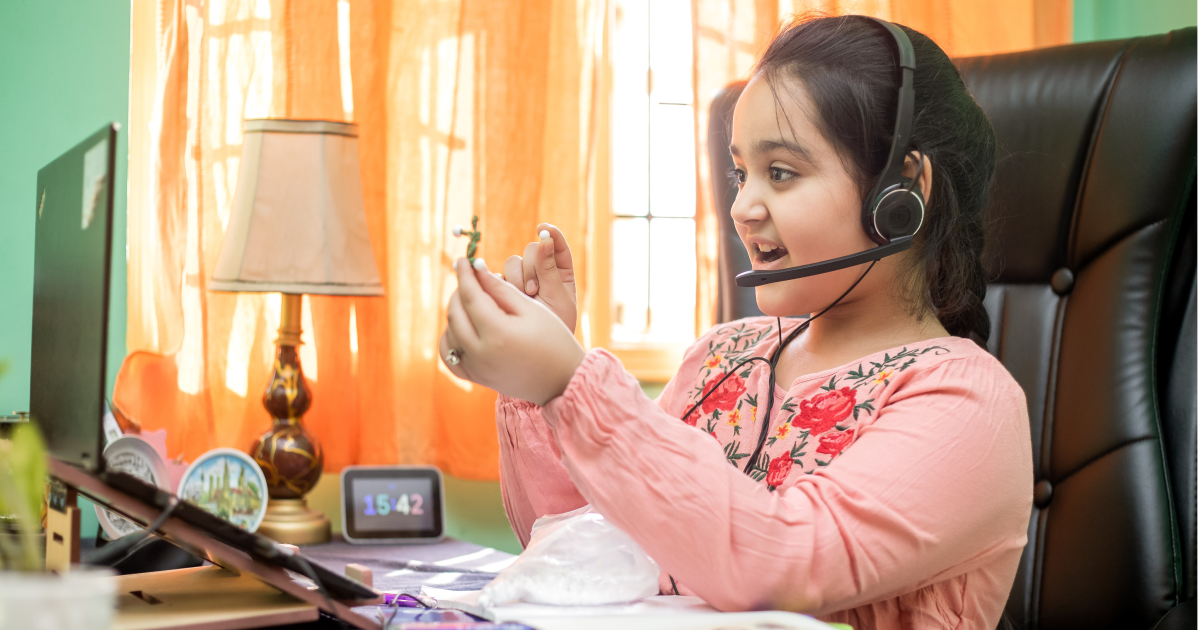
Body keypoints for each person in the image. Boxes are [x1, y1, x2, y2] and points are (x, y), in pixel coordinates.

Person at [438, 14, 1032, 630]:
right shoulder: (721, 356)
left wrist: (569, 380)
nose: (742, 207)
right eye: (741, 174)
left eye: (781, 172)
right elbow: (584, 547)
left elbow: (783, 565)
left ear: (902, 188)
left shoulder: (968, 404)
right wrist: (539, 389)